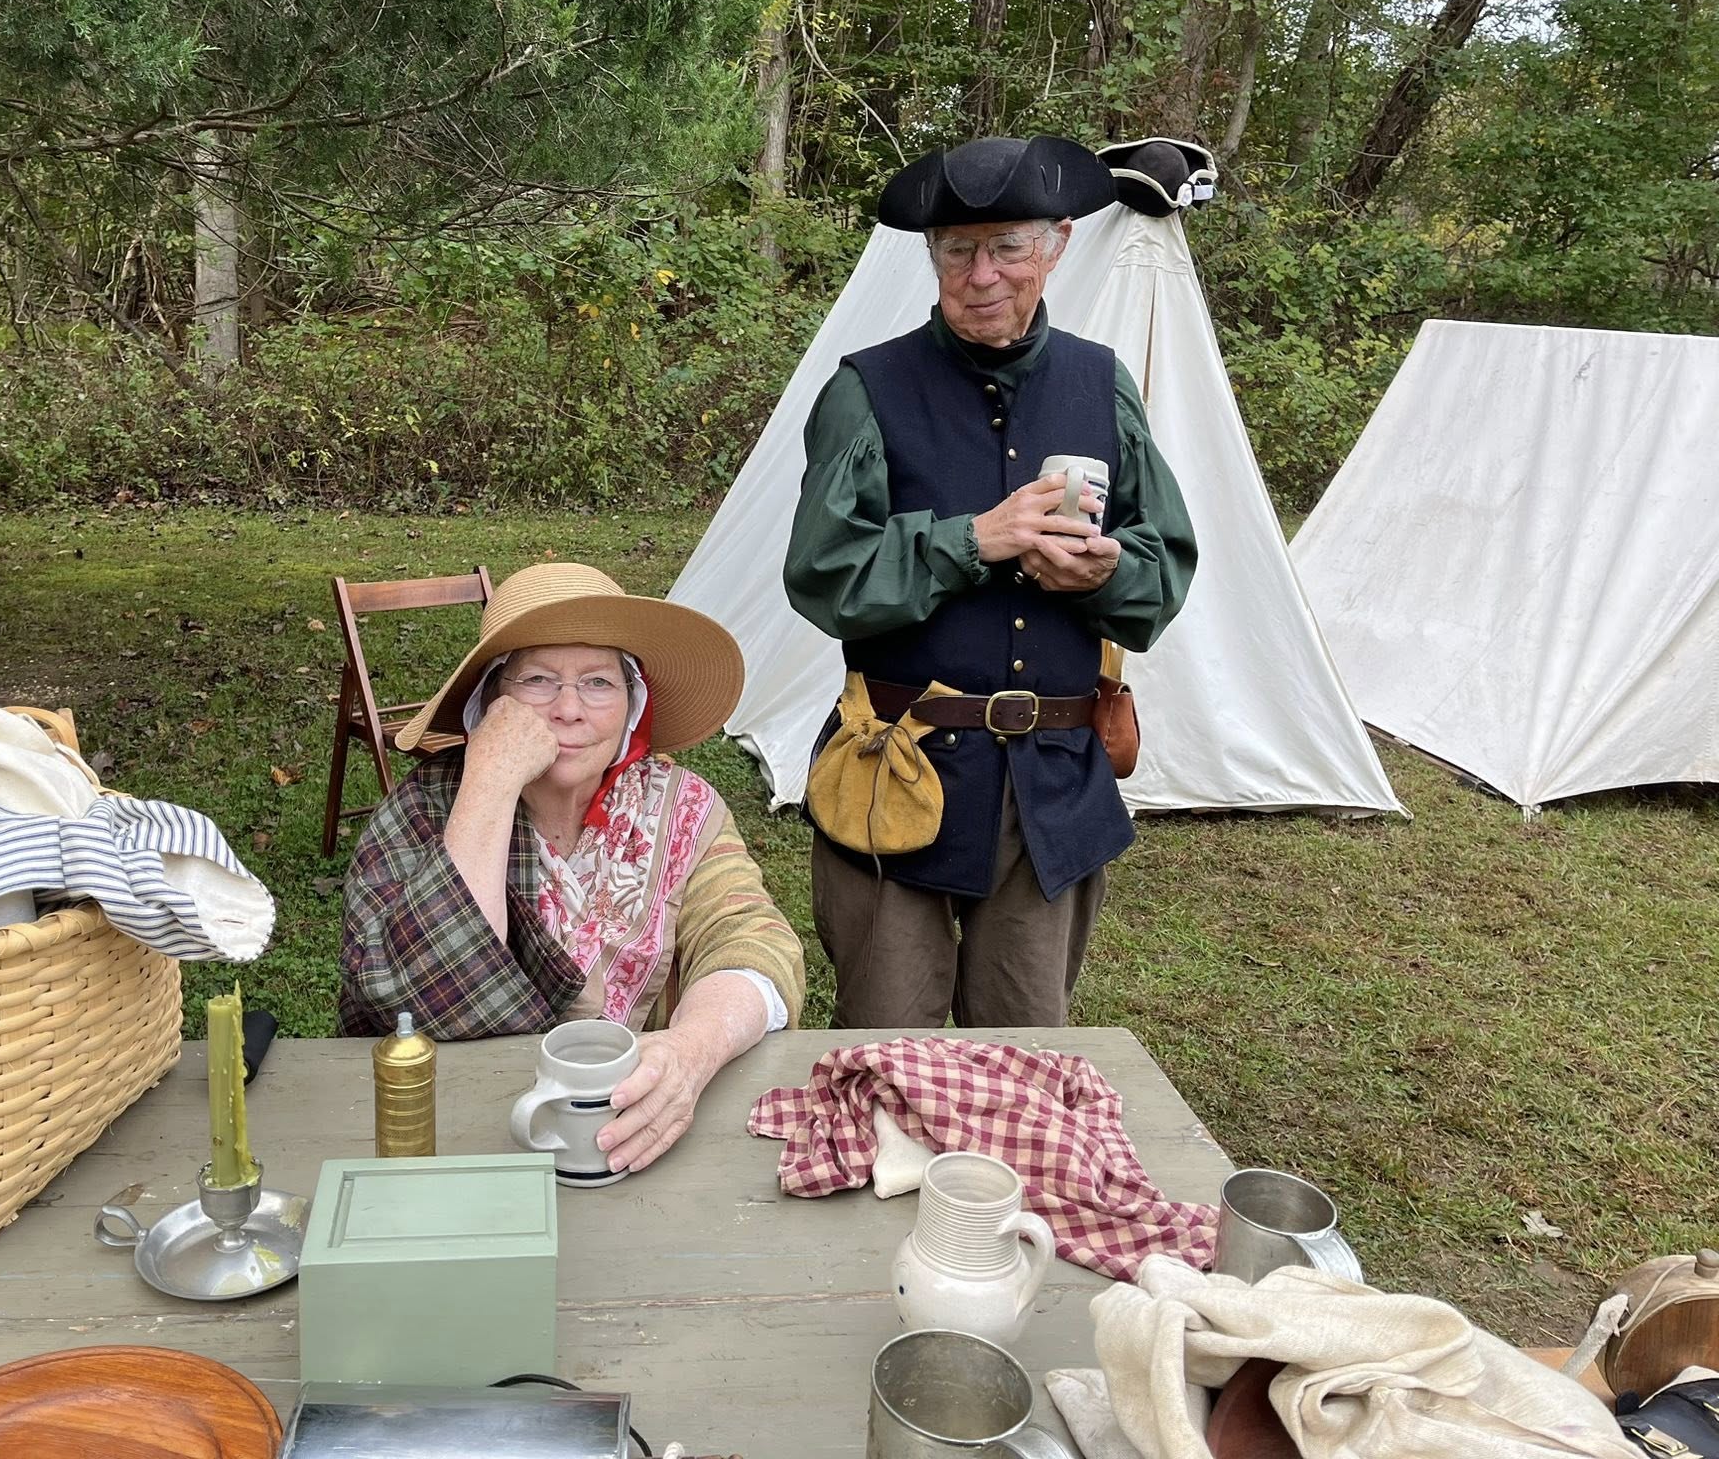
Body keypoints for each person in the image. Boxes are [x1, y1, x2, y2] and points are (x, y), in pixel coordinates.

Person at [783, 134, 1197, 1030]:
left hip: (1054, 787)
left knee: (1024, 1053)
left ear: (1056, 247)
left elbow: (1162, 570)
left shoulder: (1101, 383)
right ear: (932, 256)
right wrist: (973, 540)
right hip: (896, 771)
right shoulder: (867, 389)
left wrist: (1105, 572)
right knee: (885, 1053)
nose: (982, 276)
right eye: (957, 251)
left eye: (1008, 247)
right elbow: (823, 577)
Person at [339, 562, 806, 1175]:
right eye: (537, 680)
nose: (568, 709)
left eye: (598, 682)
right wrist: (492, 778)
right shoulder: (424, 808)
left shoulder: (680, 806)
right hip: (449, 1133)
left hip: (635, 1133)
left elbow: (753, 942)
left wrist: (689, 1053)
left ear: (632, 705)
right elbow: (427, 1001)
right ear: (490, 704)